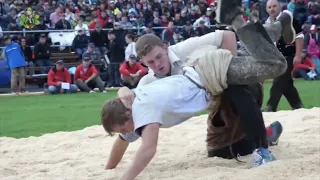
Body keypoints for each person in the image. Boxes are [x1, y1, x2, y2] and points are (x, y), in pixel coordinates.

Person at [101, 3, 296, 179]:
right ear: (143, 63)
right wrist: (109, 167)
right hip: (209, 78)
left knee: (274, 67)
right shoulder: (145, 87)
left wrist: (228, 74)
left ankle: (234, 18)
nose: (157, 64)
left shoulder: (180, 52)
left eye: (159, 57)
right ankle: (281, 24)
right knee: (222, 147)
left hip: (214, 69)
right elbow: (124, 136)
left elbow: (147, 149)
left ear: (165, 48)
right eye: (150, 62)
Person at [264, 0, 305, 112]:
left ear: (280, 7)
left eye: (274, 6)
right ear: (267, 9)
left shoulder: (289, 19)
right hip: (277, 58)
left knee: (279, 79)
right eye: (269, 7)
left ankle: (271, 106)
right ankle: (297, 105)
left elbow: (299, 36)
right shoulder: (267, 23)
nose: (272, 9)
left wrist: (298, 55)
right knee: (286, 83)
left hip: (289, 55)